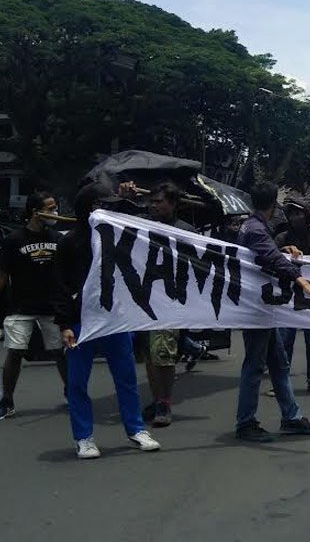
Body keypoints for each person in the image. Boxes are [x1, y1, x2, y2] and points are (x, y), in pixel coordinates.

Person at [54, 183, 161, 459]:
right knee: (77, 382)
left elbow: (142, 223)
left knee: (126, 378)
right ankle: (84, 437)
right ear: (91, 208)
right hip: (82, 322)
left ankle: (136, 429)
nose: (110, 209)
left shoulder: (116, 236)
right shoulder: (69, 242)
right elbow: (61, 286)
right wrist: (64, 324)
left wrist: (130, 196)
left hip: (115, 319)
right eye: (105, 205)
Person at [235, 181, 310, 442]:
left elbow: (265, 254)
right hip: (255, 308)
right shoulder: (254, 229)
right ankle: (245, 422)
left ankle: (292, 416)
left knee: (279, 363)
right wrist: (303, 281)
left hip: (263, 308)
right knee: (254, 365)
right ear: (274, 205)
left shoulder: (255, 227)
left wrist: (284, 250)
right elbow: (271, 259)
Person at [119, 181, 197, 428]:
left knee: (164, 355)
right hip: (143, 300)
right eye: (151, 202)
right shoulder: (144, 225)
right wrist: (125, 197)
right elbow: (119, 221)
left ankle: (164, 401)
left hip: (169, 301)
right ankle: (157, 398)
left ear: (173, 204)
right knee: (149, 357)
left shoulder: (185, 230)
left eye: (159, 202)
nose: (154, 206)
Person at [0, 191, 69, 421]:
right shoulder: (13, 240)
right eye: (49, 208)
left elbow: (64, 275)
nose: (54, 212)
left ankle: (72, 393)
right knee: (16, 351)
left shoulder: (58, 238)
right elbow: (3, 275)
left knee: (60, 351)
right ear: (34, 211)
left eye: (54, 207)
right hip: (20, 306)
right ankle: (7, 400)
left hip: (52, 306)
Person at [271, 198, 310, 395]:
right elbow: (269, 255)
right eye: (292, 214)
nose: (296, 217)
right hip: (288, 298)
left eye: (299, 213)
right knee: (284, 341)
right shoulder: (282, 237)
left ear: (306, 215)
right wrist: (283, 250)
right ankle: (280, 382)